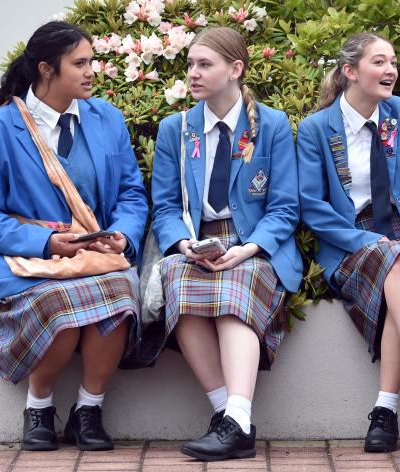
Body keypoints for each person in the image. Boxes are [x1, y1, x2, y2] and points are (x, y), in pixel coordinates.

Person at [0, 21, 148, 451]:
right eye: (80, 63)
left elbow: (131, 194)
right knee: (61, 305)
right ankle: (39, 407)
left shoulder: (107, 118)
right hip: (25, 264)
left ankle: (89, 410)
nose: (91, 72)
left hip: (96, 258)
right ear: (46, 69)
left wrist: (121, 236)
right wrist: (47, 244)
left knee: (119, 295)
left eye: (91, 61)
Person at [297, 32, 400, 453]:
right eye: (379, 62)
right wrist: (365, 241)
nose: (391, 71)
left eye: (393, 62)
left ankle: (385, 410)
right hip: (351, 240)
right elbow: (312, 206)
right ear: (350, 72)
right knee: (398, 265)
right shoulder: (317, 129)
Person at [147, 27, 302, 461]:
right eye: (190, 65)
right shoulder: (174, 130)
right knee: (180, 280)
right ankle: (232, 418)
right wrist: (183, 246)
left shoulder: (270, 125)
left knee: (237, 284)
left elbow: (285, 208)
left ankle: (233, 418)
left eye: (204, 65)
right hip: (196, 244)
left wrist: (248, 247)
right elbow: (163, 207)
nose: (193, 74)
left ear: (235, 69)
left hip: (252, 244)